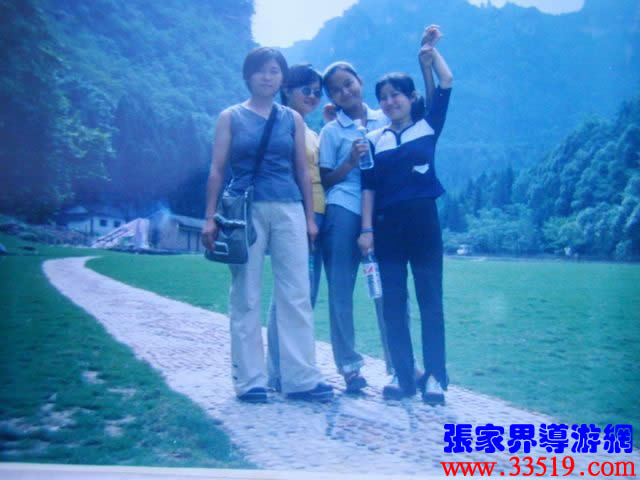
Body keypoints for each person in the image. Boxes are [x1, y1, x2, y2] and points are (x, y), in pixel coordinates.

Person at [202, 47, 333, 403]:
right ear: (248, 76)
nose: (267, 76)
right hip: (245, 210)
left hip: (289, 207)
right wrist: (209, 217)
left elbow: (302, 170)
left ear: (282, 78)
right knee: (246, 293)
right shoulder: (230, 117)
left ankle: (300, 379)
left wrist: (310, 218)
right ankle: (250, 381)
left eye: (275, 71)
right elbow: (217, 169)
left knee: (296, 292)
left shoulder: (292, 119)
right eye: (261, 70)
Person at [358, 26, 453, 404]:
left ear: (411, 98)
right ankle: (402, 374)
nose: (389, 101)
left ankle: (436, 378)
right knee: (393, 303)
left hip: (424, 225)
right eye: (383, 97)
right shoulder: (373, 140)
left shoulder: (428, 126)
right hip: (387, 229)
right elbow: (368, 186)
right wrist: (366, 229)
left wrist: (430, 54)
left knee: (430, 300)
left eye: (396, 94)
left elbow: (446, 82)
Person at [318, 61, 391, 392]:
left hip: (380, 211)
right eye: (336, 90)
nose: (345, 92)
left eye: (348, 83)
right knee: (341, 289)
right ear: (331, 98)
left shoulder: (385, 118)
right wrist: (349, 161)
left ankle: (399, 362)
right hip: (344, 208)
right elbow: (325, 180)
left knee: (388, 288)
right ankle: (349, 367)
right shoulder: (331, 132)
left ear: (360, 80)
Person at [266, 64, 326, 392]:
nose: (313, 96)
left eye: (318, 91)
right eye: (306, 89)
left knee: (301, 294)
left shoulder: (308, 128)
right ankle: (283, 372)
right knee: (293, 294)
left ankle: (282, 371)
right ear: (286, 89)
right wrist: (306, 218)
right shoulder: (280, 124)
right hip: (299, 214)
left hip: (317, 214)